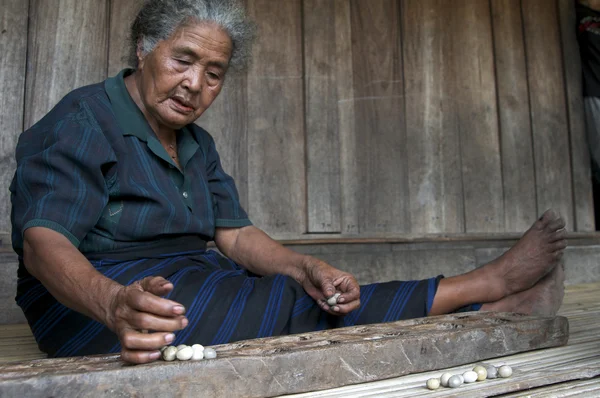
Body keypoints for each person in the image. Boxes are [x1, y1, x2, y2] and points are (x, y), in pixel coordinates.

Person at [10, 0, 567, 365]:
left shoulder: (196, 143)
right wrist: (111, 304)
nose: (194, 84)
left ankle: (478, 300)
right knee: (276, 306)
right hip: (93, 302)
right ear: (143, 49)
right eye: (182, 60)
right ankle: (483, 293)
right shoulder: (84, 121)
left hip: (189, 278)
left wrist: (306, 266)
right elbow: (43, 245)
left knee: (300, 290)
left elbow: (234, 235)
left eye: (214, 73)